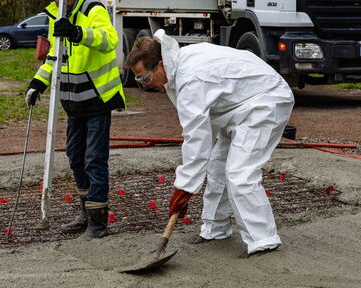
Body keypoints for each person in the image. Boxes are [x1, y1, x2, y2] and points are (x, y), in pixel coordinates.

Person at [126, 29, 294, 256]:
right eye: (139, 79)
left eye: (145, 77)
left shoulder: (190, 78)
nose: (144, 84)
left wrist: (184, 188)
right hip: (237, 107)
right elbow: (202, 130)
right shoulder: (178, 70)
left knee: (239, 172)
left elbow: (196, 139)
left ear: (161, 64)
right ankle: (215, 228)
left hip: (266, 101)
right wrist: (187, 185)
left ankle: (263, 239)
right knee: (217, 165)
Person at [25, 0, 125, 239]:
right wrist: (38, 83)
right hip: (74, 102)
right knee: (75, 157)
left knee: (94, 160)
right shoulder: (55, 15)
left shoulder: (93, 9)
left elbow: (109, 39)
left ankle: (98, 224)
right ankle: (87, 213)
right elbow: (53, 57)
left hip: (98, 99)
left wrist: (77, 32)